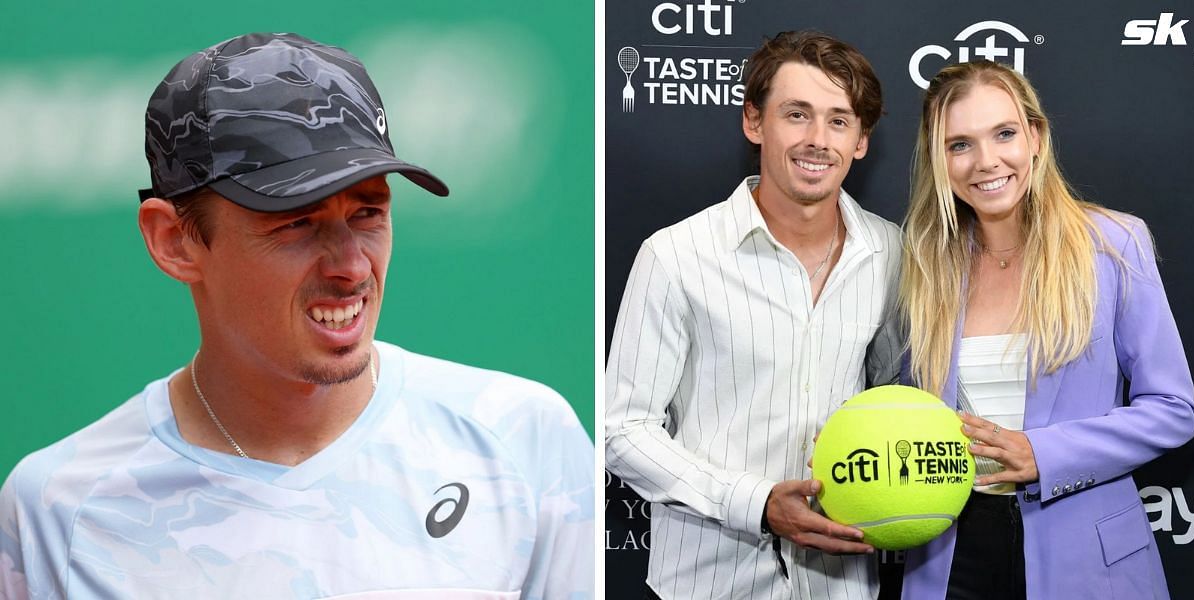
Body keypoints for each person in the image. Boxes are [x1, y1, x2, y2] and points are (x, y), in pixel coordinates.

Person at [0, 32, 593, 600]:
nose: (352, 265)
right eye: (295, 222)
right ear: (174, 241)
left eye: (368, 213)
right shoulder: (57, 508)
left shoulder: (522, 440)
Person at [606, 30, 902, 600]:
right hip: (711, 581)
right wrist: (757, 503)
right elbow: (623, 430)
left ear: (861, 140)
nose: (818, 140)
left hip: (842, 584)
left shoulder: (894, 255)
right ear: (754, 122)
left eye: (839, 120)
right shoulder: (675, 255)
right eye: (797, 114)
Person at [898, 60, 1194, 600]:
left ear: (1035, 136)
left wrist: (1044, 453)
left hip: (1087, 557)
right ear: (939, 160)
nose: (986, 161)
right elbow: (906, 411)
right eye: (959, 144)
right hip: (949, 556)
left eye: (1004, 134)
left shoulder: (1113, 245)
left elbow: (1174, 408)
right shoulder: (926, 266)